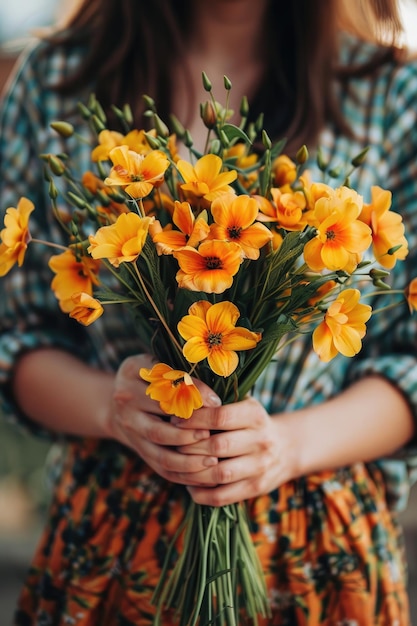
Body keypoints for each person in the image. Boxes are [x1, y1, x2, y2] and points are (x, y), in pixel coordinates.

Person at [1, 0, 417, 624]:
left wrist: (286, 447)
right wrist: (113, 409)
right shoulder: (55, 79)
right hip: (114, 538)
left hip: (318, 546)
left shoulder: (390, 91)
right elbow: (16, 339)